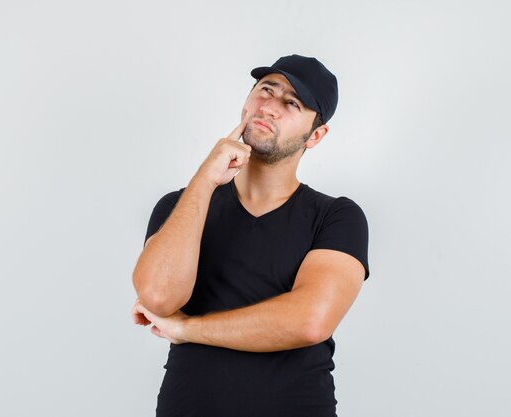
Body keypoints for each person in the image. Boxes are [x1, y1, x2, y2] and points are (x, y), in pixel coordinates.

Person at [131, 54, 370, 417]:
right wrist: (205, 179)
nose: (269, 107)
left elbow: (310, 321)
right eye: (265, 90)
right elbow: (159, 298)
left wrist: (187, 329)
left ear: (316, 135)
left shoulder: (336, 217)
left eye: (291, 103)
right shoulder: (182, 205)